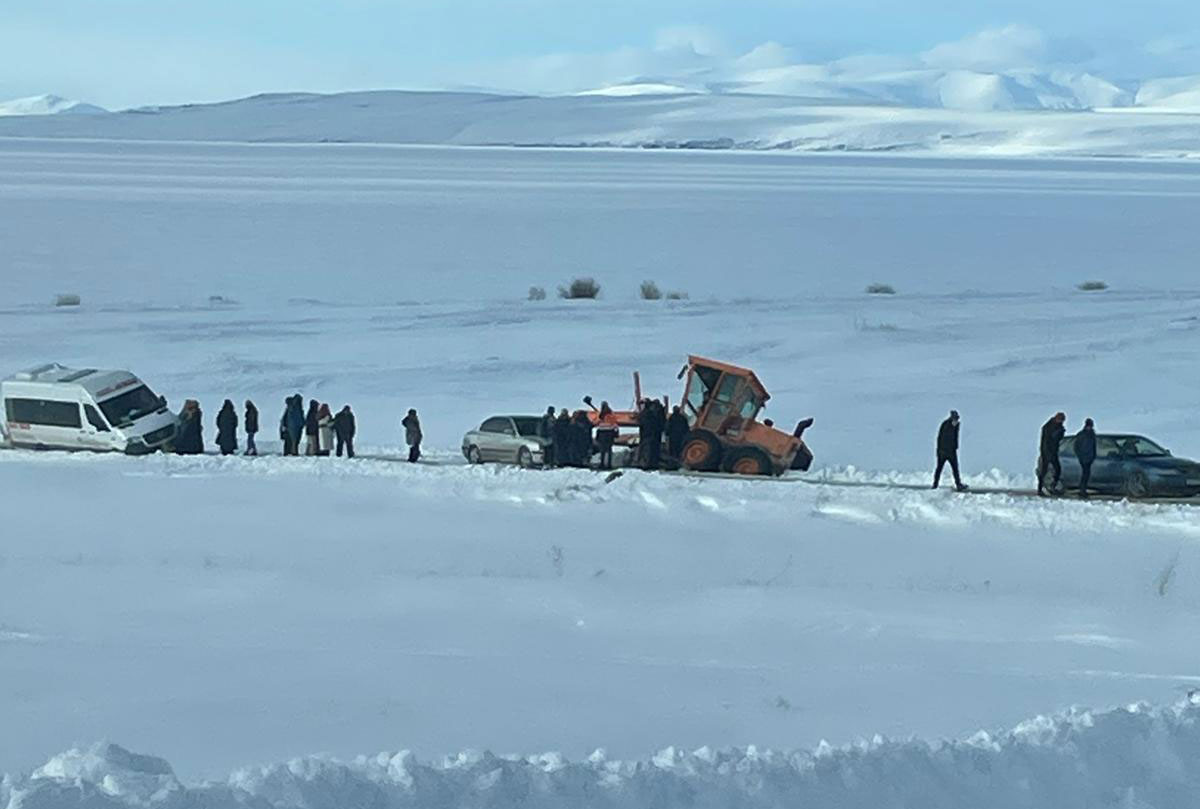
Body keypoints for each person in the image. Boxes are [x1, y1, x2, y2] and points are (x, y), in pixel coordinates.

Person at [932, 410, 968, 492]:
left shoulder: (956, 426)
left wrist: (955, 447)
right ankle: (935, 485)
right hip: (943, 452)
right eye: (955, 419)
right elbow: (940, 439)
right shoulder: (945, 426)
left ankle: (958, 484)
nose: (956, 421)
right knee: (939, 468)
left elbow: (955, 438)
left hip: (951, 451)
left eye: (957, 419)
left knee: (955, 469)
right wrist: (941, 451)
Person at [1037, 411, 1067, 496]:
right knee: (1045, 470)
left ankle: (1051, 486)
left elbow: (1058, 440)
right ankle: (1041, 488)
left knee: (1056, 470)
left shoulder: (1058, 427)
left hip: (1053, 451)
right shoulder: (1048, 427)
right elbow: (1048, 440)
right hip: (1047, 451)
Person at [1074, 418, 1097, 498]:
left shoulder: (1092, 434)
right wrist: (1080, 455)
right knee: (1085, 474)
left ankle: (1083, 489)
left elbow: (1094, 446)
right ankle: (1082, 490)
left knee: (1087, 474)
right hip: (1083, 458)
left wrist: (1093, 455)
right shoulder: (1081, 435)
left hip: (1090, 457)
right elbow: (1076, 447)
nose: (1090, 428)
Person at [595, 401, 618, 470]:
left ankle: (602, 464)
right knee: (609, 449)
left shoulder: (600, 414)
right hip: (609, 433)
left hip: (602, 433)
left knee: (603, 450)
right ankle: (609, 464)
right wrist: (615, 432)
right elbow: (614, 423)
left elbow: (597, 423)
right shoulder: (611, 414)